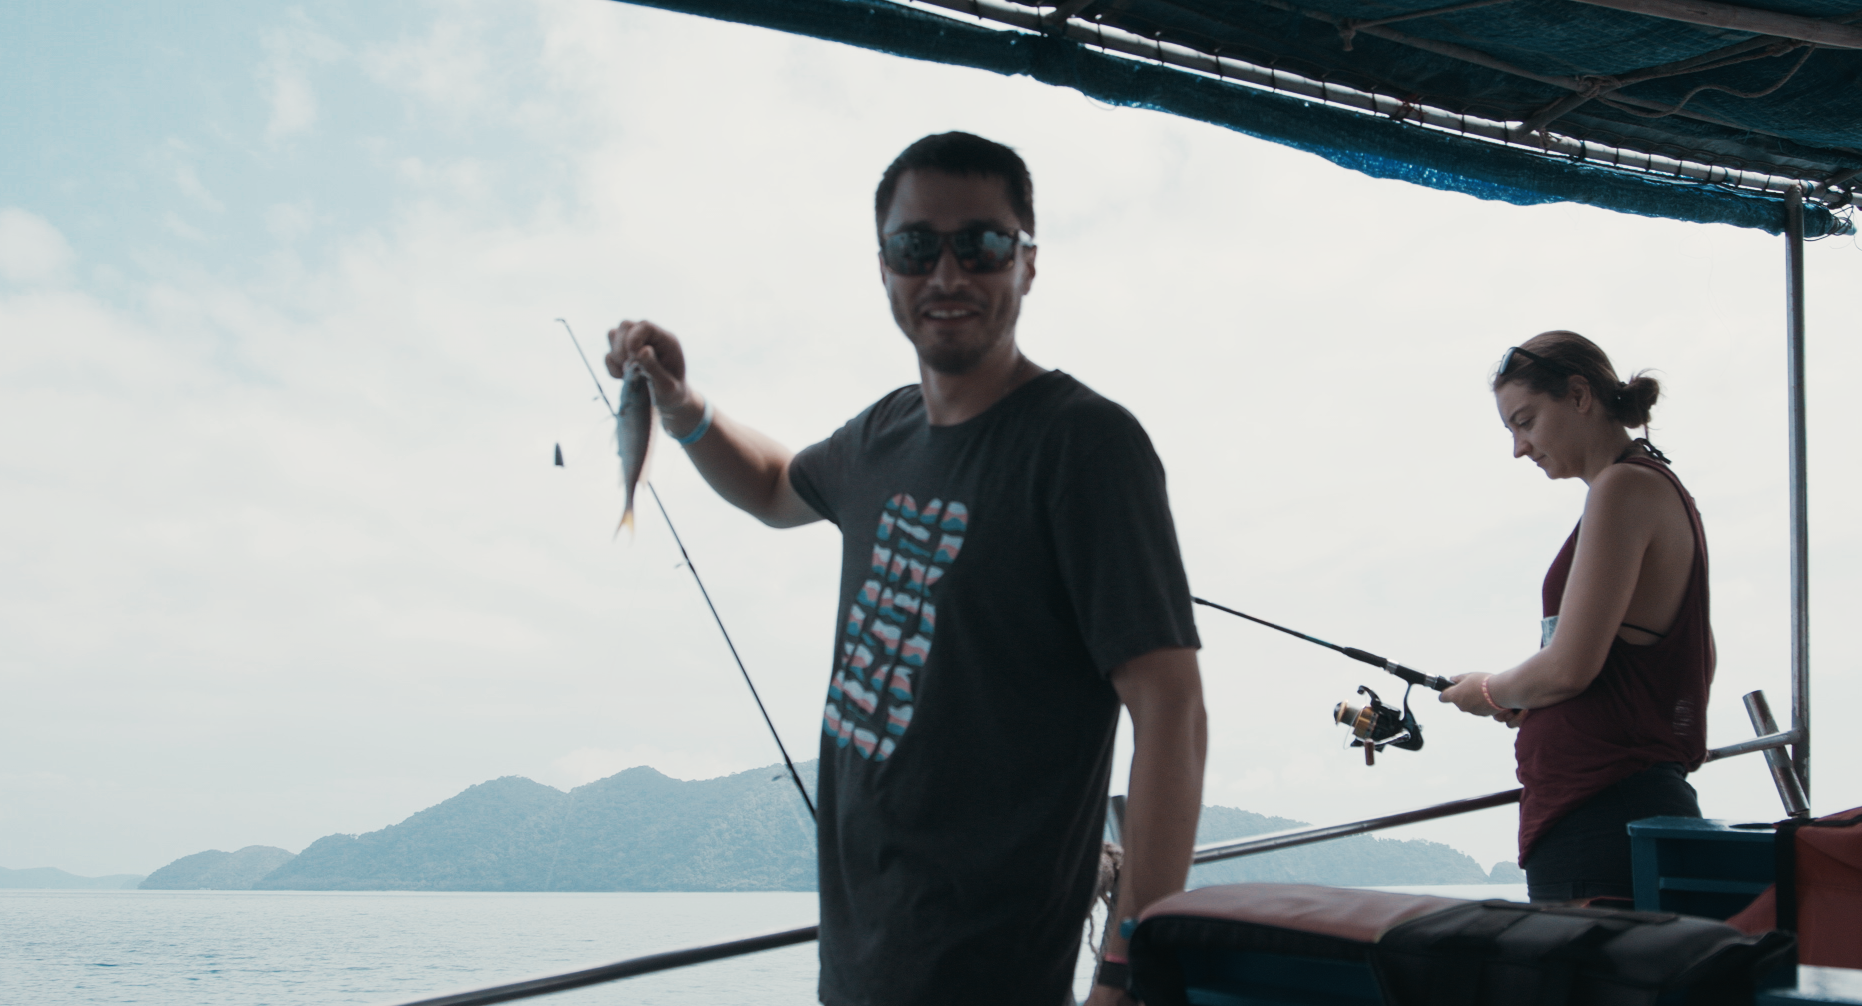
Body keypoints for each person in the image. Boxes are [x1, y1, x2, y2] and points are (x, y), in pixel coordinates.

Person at [605, 132, 1207, 1006]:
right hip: (859, 970)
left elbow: (1172, 711)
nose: (948, 273)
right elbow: (772, 484)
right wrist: (678, 400)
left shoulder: (1085, 445)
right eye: (916, 246)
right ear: (883, 267)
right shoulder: (881, 435)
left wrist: (1126, 969)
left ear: (1028, 263)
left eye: (983, 244)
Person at [1440, 331, 1712, 904]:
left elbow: (1568, 668)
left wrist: (1488, 691)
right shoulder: (1654, 486)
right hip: (1632, 806)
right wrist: (1531, 698)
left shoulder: (1621, 487)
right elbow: (1697, 656)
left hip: (1602, 819)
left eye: (1526, 421)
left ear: (1580, 395)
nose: (1520, 448)